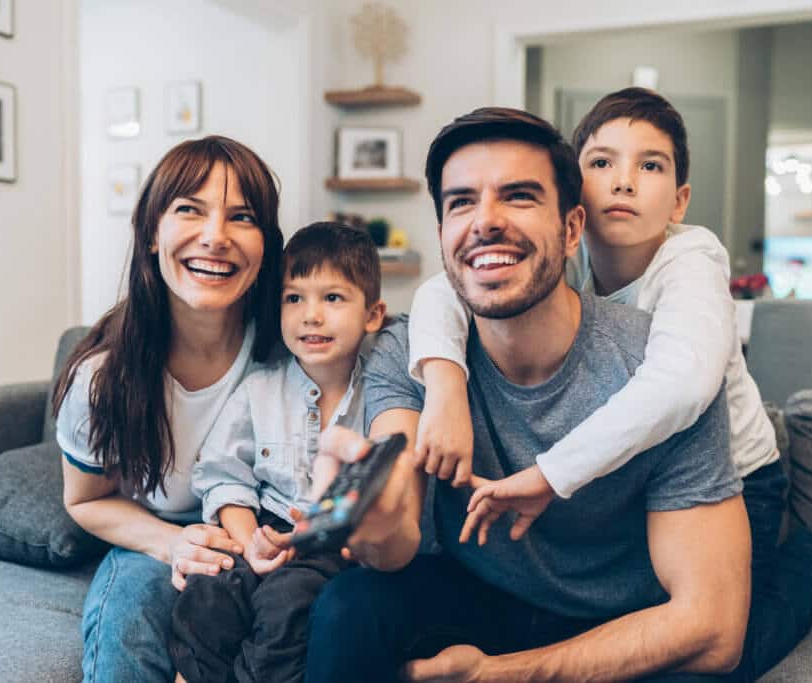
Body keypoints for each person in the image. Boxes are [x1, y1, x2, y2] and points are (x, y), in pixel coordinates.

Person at [304, 107, 752, 683]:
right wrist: (377, 521)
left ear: (571, 230)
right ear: (442, 233)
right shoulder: (415, 349)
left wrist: (502, 673)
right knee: (351, 606)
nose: (485, 221)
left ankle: (806, 572)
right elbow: (398, 534)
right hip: (486, 592)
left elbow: (713, 630)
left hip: (623, 616)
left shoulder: (663, 363)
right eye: (460, 202)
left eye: (517, 196)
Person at [408, 88, 812, 680]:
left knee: (716, 658)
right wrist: (445, 386)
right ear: (574, 200)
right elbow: (440, 292)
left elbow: (681, 384)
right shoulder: (565, 258)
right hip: (641, 477)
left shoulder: (692, 261)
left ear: (680, 201)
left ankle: (810, 569)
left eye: (651, 165)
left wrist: (549, 475)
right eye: (602, 162)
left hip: (736, 477)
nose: (624, 182)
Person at [53, 135, 285, 683]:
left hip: (271, 544)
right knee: (128, 612)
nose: (215, 237)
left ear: (267, 245)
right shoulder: (100, 377)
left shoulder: (296, 349)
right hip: (159, 535)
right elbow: (85, 500)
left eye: (242, 217)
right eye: (189, 210)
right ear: (151, 233)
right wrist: (173, 543)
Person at [168, 222, 386, 683]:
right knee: (206, 594)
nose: (311, 315)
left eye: (332, 298)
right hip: (262, 531)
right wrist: (250, 542)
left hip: (334, 545)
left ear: (373, 314)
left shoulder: (382, 396)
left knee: (289, 605)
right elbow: (222, 474)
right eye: (294, 298)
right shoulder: (260, 388)